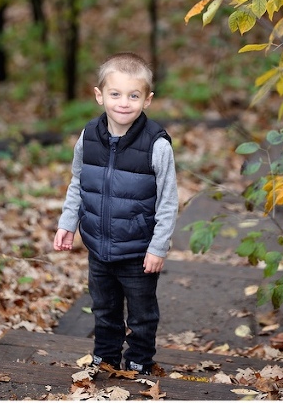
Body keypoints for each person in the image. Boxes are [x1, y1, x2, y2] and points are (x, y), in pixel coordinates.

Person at [53, 52, 178, 375]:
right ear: (99, 96)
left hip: (138, 250)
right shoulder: (89, 137)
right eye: (115, 94)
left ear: (147, 100)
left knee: (141, 313)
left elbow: (168, 200)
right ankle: (106, 357)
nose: (124, 103)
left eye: (133, 95)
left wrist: (158, 246)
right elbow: (79, 182)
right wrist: (68, 223)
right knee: (104, 308)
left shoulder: (157, 144)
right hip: (98, 246)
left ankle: (139, 360)